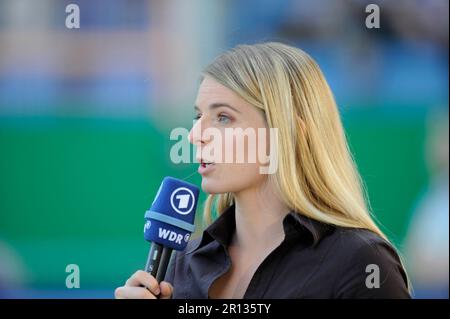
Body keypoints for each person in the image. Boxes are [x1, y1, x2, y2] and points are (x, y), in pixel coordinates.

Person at [115, 42, 410, 299]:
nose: (194, 134)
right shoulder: (183, 264)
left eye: (223, 118)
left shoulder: (361, 263)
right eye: (197, 116)